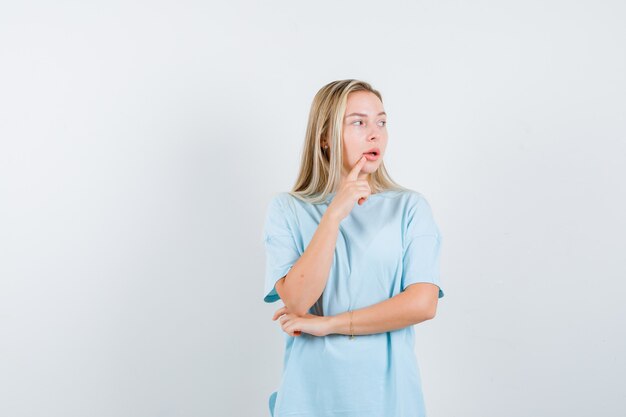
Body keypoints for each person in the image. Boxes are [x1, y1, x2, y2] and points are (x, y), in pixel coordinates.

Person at [262, 79, 444, 417]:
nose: (375, 133)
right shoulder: (287, 209)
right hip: (309, 399)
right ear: (326, 137)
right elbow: (298, 301)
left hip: (388, 401)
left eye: (381, 122)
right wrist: (334, 215)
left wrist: (329, 324)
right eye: (358, 122)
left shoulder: (410, 208)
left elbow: (423, 303)